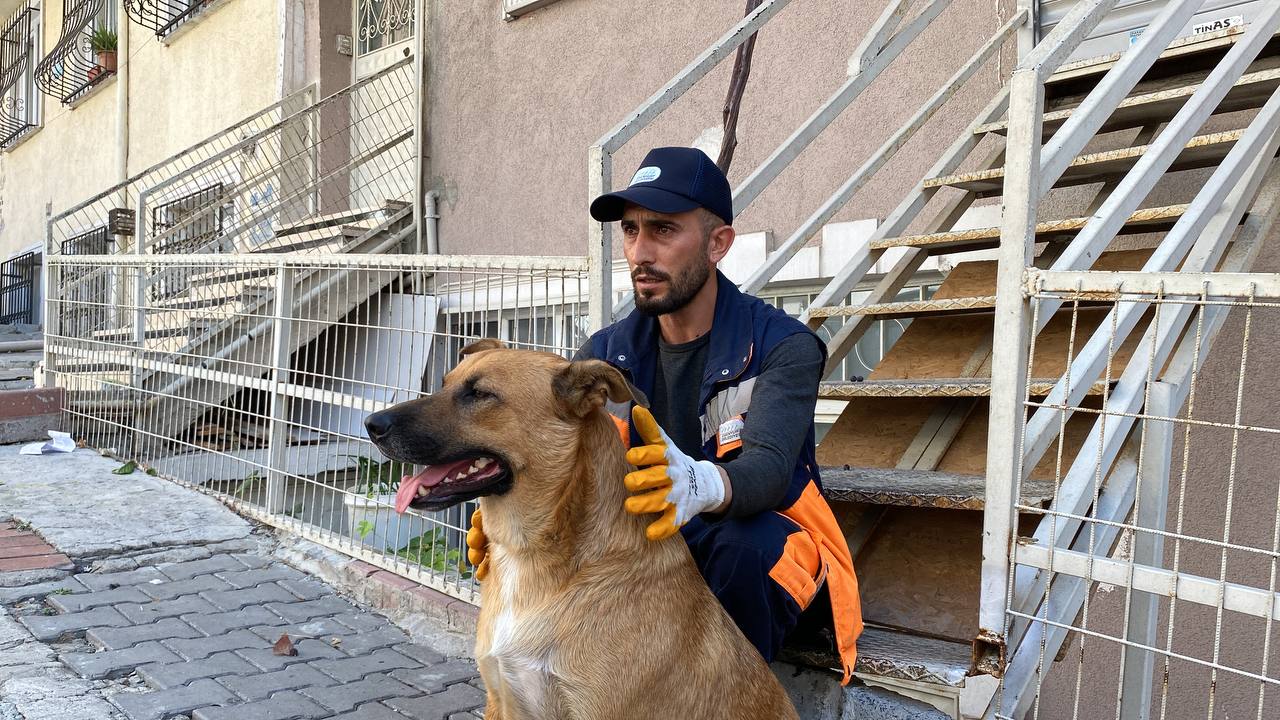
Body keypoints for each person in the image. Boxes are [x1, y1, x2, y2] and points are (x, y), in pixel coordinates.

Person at [471, 147, 862, 683]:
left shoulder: (782, 345)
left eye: (662, 230)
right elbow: (567, 464)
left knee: (743, 546)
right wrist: (516, 513)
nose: (639, 252)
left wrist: (698, 483)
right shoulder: (607, 353)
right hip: (654, 544)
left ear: (718, 243)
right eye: (630, 231)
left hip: (767, 557)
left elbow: (769, 471)